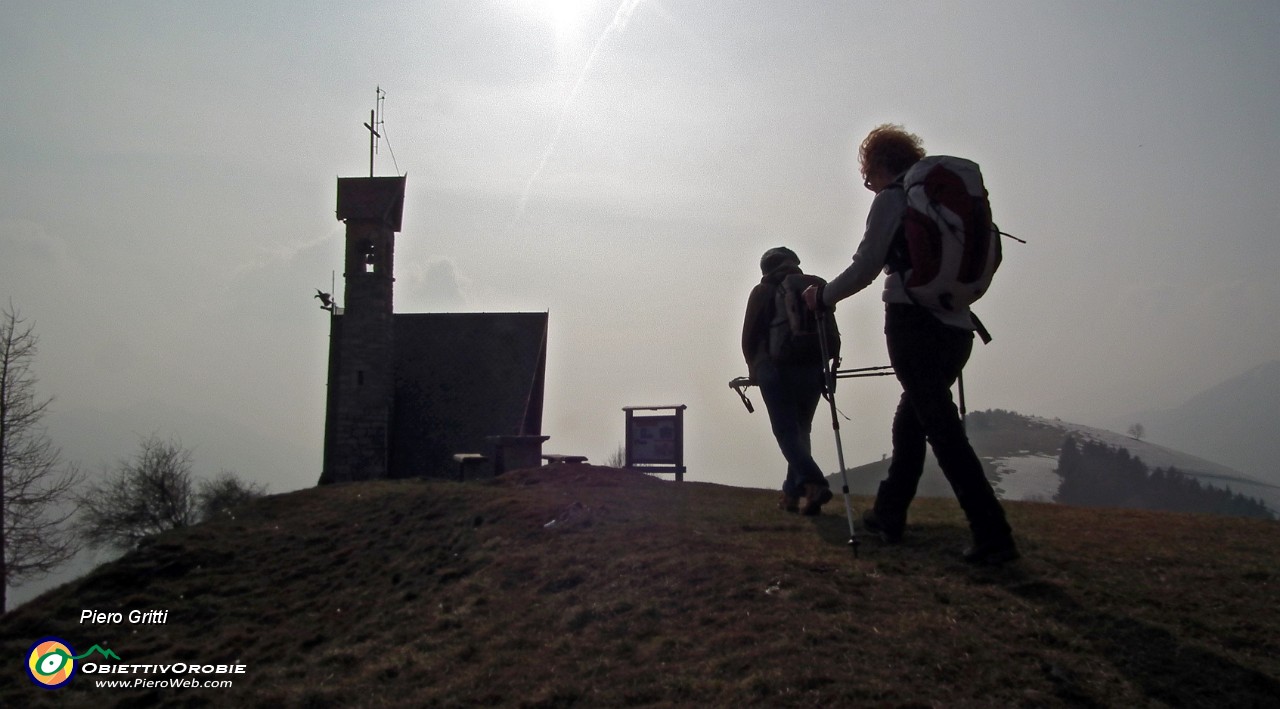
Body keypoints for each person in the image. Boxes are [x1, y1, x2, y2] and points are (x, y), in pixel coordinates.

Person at [803, 125, 1018, 564]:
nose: (870, 186)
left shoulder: (893, 198)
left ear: (878, 167)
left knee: (942, 430)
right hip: (958, 328)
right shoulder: (939, 202)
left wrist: (823, 296)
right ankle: (887, 514)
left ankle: (992, 533)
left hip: (912, 324)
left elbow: (867, 264)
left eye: (868, 177)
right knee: (913, 421)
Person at [742, 247, 834, 516]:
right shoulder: (813, 287)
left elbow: (750, 336)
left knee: (785, 432)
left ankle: (813, 483)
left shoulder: (763, 291)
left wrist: (753, 368)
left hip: (776, 368)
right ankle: (792, 495)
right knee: (801, 430)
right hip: (814, 367)